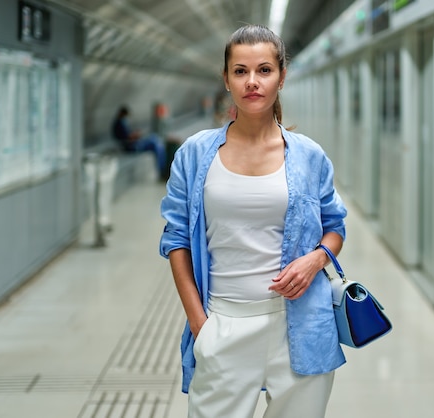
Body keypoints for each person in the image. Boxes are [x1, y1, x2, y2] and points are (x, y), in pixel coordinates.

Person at [159, 24, 347, 418]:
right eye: (240, 71)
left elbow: (335, 226)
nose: (252, 82)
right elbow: (175, 239)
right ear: (226, 79)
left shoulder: (308, 156)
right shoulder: (195, 154)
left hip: (300, 327)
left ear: (281, 76)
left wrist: (316, 260)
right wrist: (200, 325)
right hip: (223, 324)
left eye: (264, 70)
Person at [111, 105, 167, 180]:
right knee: (155, 143)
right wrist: (136, 135)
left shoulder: (120, 123)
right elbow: (127, 137)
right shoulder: (119, 124)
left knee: (154, 140)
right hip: (131, 146)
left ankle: (162, 169)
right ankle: (162, 170)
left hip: (131, 144)